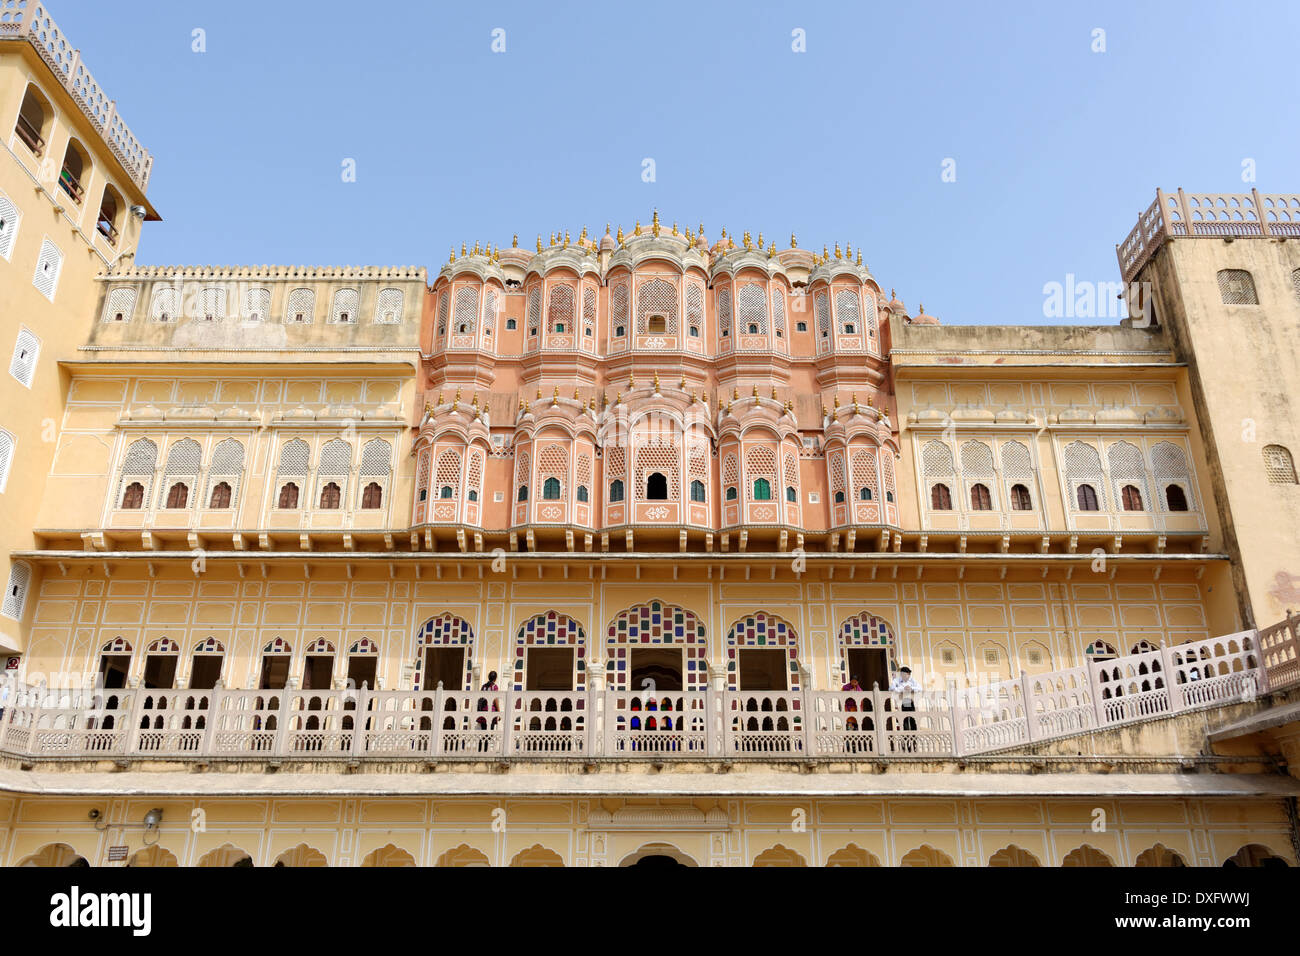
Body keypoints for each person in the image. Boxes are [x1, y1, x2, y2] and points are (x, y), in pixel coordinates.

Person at [890, 666, 921, 752]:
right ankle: (906, 745)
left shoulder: (912, 681)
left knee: (913, 724)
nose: (908, 676)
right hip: (902, 704)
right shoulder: (897, 681)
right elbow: (892, 689)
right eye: (906, 674)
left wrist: (911, 688)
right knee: (905, 725)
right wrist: (902, 689)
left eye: (908, 674)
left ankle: (913, 745)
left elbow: (920, 688)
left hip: (911, 704)